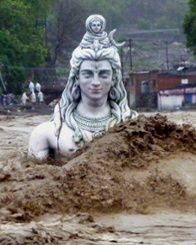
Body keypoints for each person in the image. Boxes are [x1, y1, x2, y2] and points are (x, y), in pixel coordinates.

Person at [28, 14, 137, 161]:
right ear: (77, 77)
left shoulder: (132, 126)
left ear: (114, 78)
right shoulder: (47, 133)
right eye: (88, 74)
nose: (96, 82)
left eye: (104, 75)